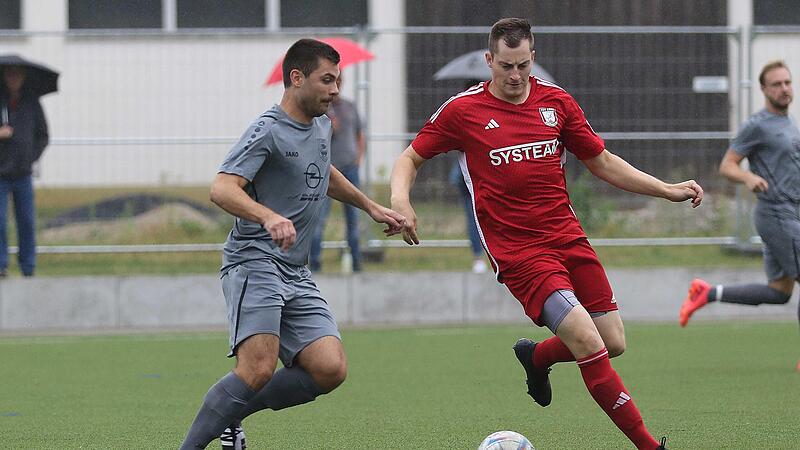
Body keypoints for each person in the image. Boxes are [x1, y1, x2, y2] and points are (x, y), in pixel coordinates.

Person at [390, 18, 703, 450]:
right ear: (489, 61)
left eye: (522, 65)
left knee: (612, 342)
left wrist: (664, 189)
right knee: (588, 340)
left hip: (567, 238)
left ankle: (536, 356)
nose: (515, 76)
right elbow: (409, 158)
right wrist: (402, 201)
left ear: (533, 57)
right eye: (505, 66)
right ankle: (651, 447)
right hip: (519, 252)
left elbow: (602, 161)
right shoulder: (463, 110)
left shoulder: (556, 102)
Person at [179, 39, 405, 450]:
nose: (335, 89)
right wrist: (268, 215)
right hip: (255, 261)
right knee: (258, 368)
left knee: (329, 368)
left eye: (337, 80)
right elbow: (222, 188)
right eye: (327, 79)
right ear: (297, 78)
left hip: (295, 270)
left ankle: (230, 415)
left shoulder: (321, 123)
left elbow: (324, 170)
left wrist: (370, 206)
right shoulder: (266, 130)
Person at [679, 60, 800, 371]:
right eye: (777, 84)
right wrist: (748, 178)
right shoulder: (757, 124)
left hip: (790, 215)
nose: (784, 88)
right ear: (764, 89)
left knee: (780, 293)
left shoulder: (789, 123)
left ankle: (709, 292)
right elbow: (727, 165)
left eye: (787, 82)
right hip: (776, 214)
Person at [309, 75, 366, 272]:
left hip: (350, 168)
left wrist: (359, 158)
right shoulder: (320, 111)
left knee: (354, 218)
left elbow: (360, 134)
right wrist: (329, 128)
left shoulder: (350, 107)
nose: (336, 86)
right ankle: (315, 263)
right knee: (318, 219)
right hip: (328, 171)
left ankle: (357, 261)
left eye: (338, 81)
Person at [0, 64, 49, 277]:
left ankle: (28, 267)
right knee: (0, 223)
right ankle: (1, 265)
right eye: (9, 74)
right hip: (1, 174)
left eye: (17, 74)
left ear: (23, 77)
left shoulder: (32, 103)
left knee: (27, 222)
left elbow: (43, 135)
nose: (13, 78)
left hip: (23, 174)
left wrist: (30, 157)